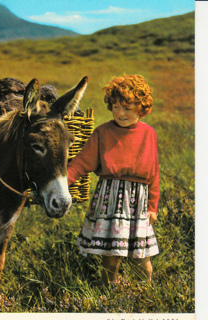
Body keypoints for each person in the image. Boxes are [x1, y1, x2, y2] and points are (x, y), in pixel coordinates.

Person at [67, 74, 159, 285]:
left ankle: (145, 294)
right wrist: (64, 182)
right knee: (110, 258)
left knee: (142, 258)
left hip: (138, 203)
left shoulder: (149, 134)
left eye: (127, 108)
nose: (120, 113)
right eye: (116, 107)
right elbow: (81, 162)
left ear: (141, 107)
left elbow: (154, 173)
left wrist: (153, 206)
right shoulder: (102, 132)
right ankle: (109, 292)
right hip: (110, 199)